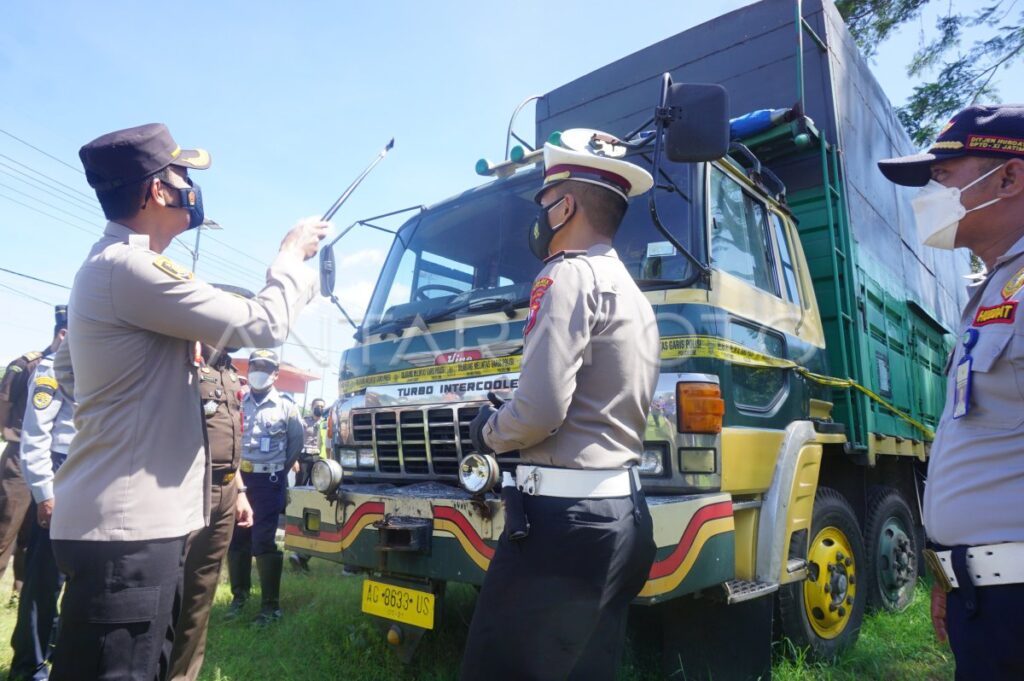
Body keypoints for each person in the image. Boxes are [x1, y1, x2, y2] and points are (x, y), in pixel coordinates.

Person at [50, 122, 328, 681]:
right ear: (157, 191)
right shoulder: (132, 267)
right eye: (182, 175)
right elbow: (265, 322)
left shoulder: (107, 265)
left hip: (123, 527)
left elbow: (69, 371)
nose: (190, 188)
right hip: (128, 535)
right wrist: (291, 257)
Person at [460, 129, 661, 681]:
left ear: (564, 204)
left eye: (545, 201)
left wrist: (490, 432)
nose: (540, 214)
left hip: (562, 527)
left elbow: (542, 410)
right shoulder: (634, 293)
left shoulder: (566, 273)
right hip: (622, 514)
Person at [878, 104, 1024, 680]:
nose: (929, 196)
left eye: (943, 177)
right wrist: (951, 572)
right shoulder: (994, 289)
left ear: (1009, 177)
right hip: (987, 599)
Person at [167, 340, 253, 681]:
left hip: (227, 489)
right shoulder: (182, 359)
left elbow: (227, 437)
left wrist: (241, 490)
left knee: (201, 592)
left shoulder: (229, 371)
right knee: (170, 590)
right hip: (187, 487)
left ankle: (182, 675)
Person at [8, 331, 75, 681]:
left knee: (80, 576)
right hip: (60, 472)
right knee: (46, 577)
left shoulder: (108, 361)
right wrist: (44, 492)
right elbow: (35, 434)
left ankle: (57, 653)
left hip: (93, 475)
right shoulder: (52, 367)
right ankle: (29, 664)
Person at [227, 349, 305, 625]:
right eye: (255, 366)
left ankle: (270, 607)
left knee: (263, 541)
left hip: (269, 482)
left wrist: (278, 470)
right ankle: (239, 598)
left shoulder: (287, 406)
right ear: (248, 370)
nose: (259, 371)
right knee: (236, 540)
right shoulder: (238, 401)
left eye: (266, 367)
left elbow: (295, 444)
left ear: (275, 374)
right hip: (239, 481)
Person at [0, 305, 67, 609]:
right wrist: (10, 436)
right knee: (7, 528)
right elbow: (4, 405)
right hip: (20, 458)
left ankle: (19, 591)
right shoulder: (29, 365)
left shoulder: (78, 366)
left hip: (51, 461)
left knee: (32, 535)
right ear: (62, 333)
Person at [289, 397, 327, 571]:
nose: (319, 409)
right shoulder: (305, 422)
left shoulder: (326, 423)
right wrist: (295, 460)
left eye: (322, 407)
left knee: (316, 491)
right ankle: (295, 515)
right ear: (311, 407)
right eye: (317, 406)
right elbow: (296, 441)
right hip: (304, 458)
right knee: (301, 488)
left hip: (318, 458)